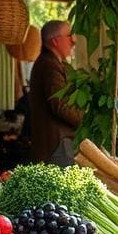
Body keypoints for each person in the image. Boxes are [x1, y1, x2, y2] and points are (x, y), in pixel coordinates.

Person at [28, 20, 82, 164]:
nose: (73, 41)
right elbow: (60, 105)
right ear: (56, 41)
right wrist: (85, 122)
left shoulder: (50, 62)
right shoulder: (50, 65)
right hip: (57, 144)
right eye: (69, 36)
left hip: (54, 143)